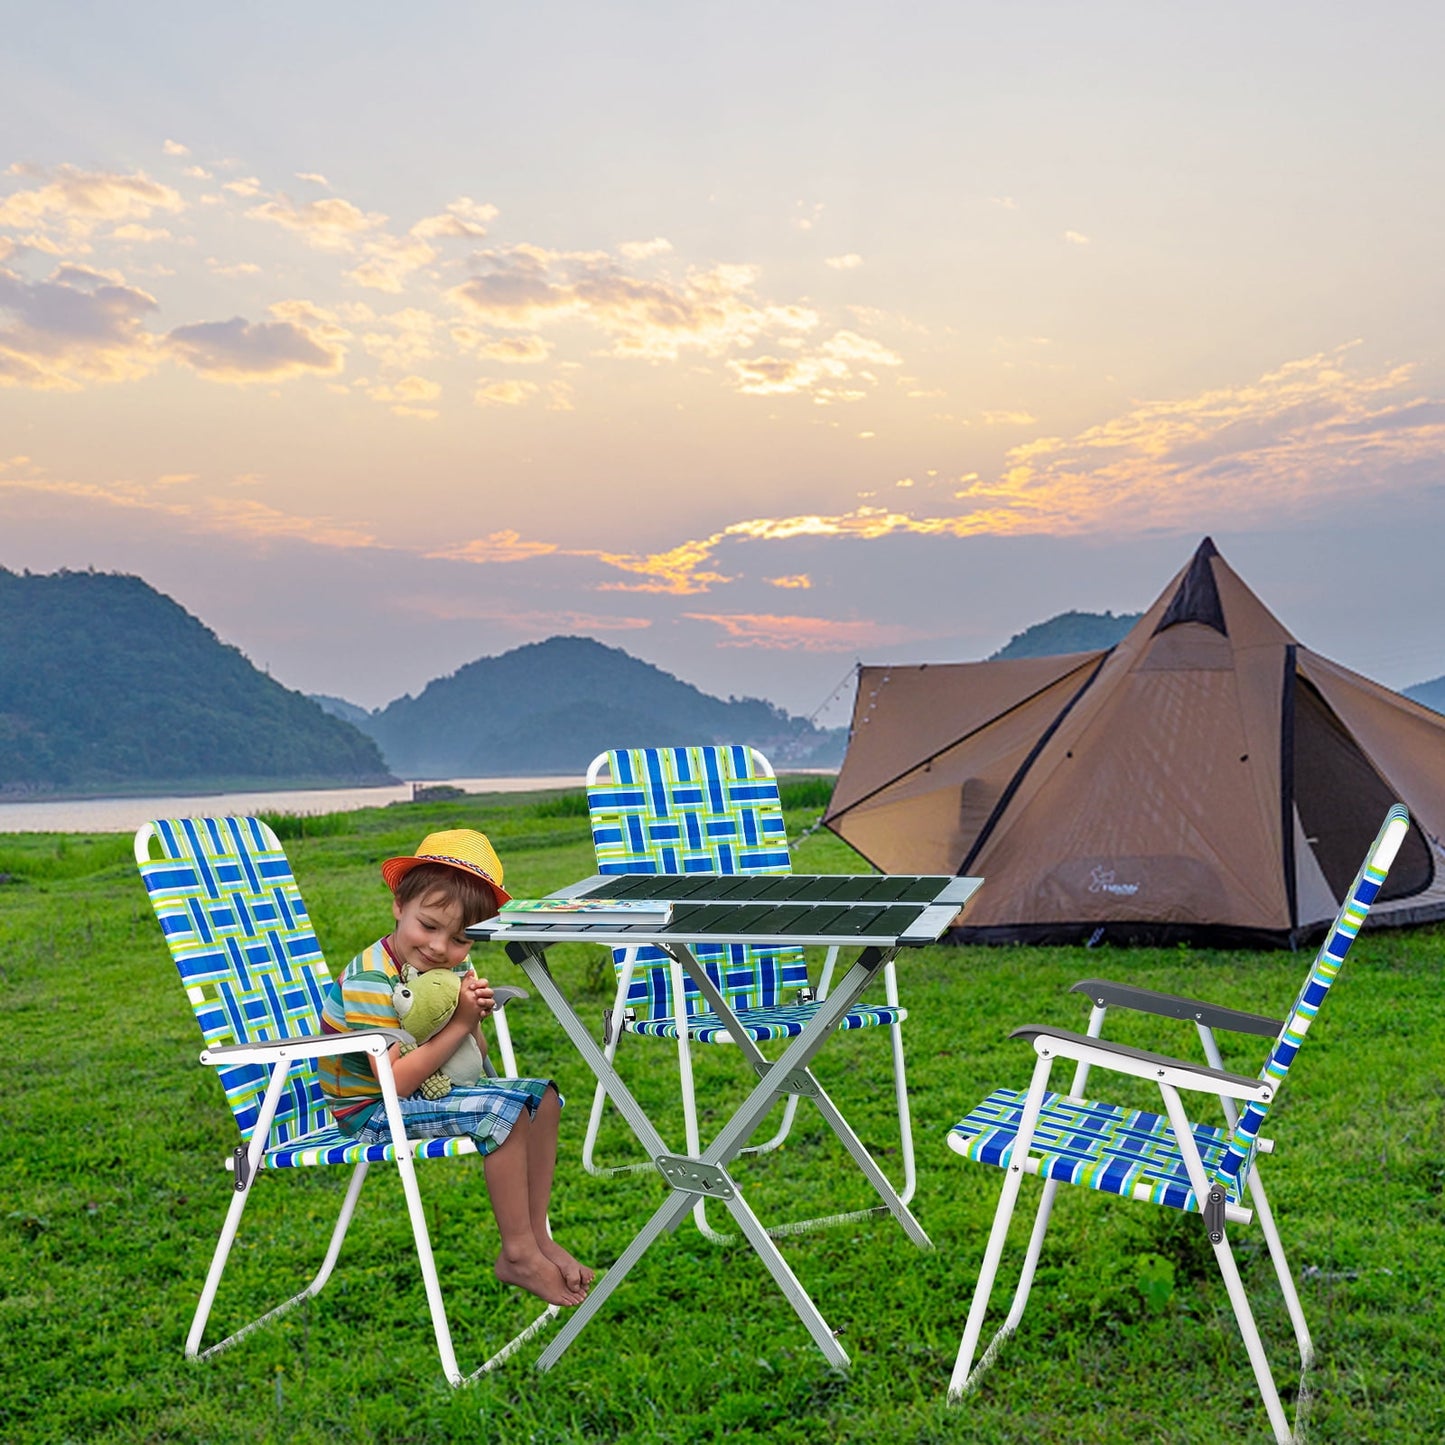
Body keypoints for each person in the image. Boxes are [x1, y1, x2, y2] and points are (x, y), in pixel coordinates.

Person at [319, 828, 592, 1308]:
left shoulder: (450, 972)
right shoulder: (369, 977)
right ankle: (519, 1254)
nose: (440, 948)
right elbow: (394, 1083)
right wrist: (460, 1022)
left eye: (462, 939)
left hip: (427, 1090)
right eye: (428, 926)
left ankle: (537, 1236)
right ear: (398, 906)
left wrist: (473, 1014)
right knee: (501, 1115)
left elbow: (471, 1063)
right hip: (369, 1109)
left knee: (544, 1097)